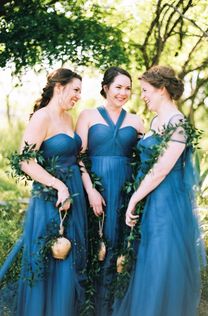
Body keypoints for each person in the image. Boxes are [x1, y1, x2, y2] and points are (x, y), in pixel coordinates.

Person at [113, 65, 203, 316]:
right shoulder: (155, 121)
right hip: (150, 198)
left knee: (162, 260)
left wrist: (133, 200)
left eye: (145, 90)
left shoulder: (179, 124)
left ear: (161, 89)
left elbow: (161, 169)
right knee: (148, 261)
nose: (142, 95)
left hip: (167, 202)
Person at [0, 68, 88, 316]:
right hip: (51, 199)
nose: (79, 96)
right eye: (75, 90)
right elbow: (25, 161)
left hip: (75, 197)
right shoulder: (42, 117)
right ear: (59, 87)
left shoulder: (68, 119)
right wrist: (59, 185)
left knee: (70, 258)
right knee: (51, 258)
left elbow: (74, 157)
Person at [76, 66, 144, 316]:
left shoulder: (136, 121)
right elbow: (78, 156)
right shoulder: (87, 116)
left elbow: (144, 158)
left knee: (119, 249)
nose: (123, 93)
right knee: (96, 247)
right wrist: (91, 190)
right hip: (95, 188)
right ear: (105, 87)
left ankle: (113, 309)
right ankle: (89, 309)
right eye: (118, 87)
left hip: (125, 191)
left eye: (128, 88)